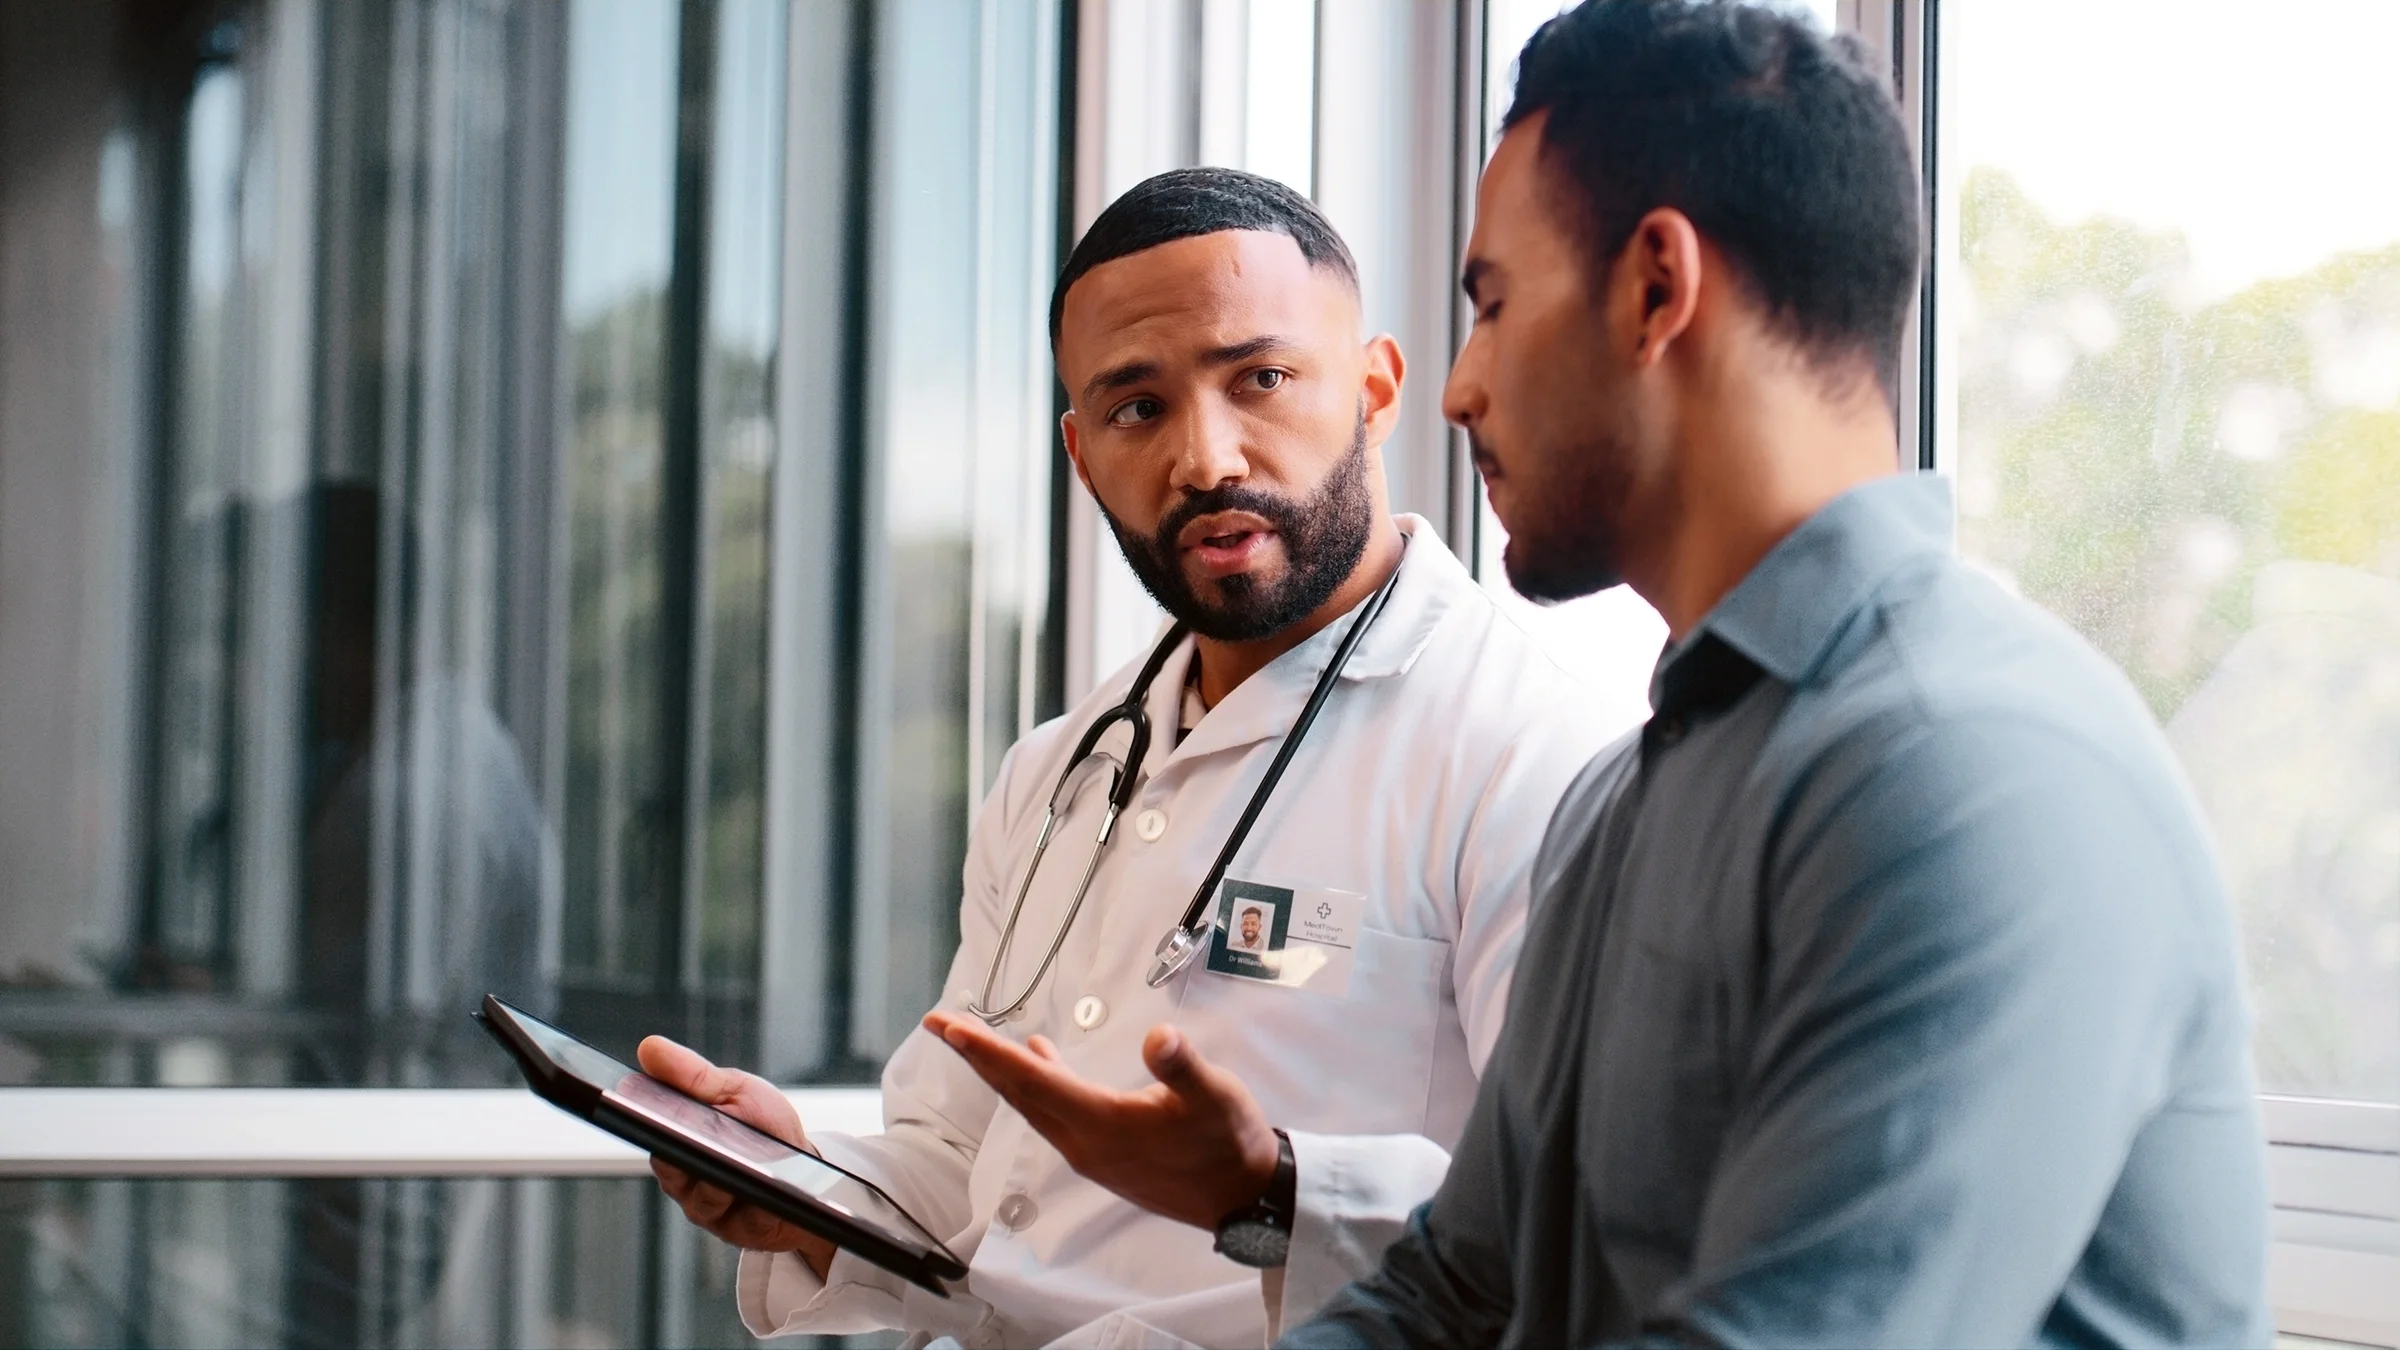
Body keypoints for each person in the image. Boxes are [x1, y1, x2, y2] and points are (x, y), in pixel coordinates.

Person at [966, 4, 2272, 1345]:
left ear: (1656, 287)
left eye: (1491, 303)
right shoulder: (1626, 802)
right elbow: (1450, 1291)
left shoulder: (1976, 771)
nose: (1457, 388)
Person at [639, 167, 1617, 1349]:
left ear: (1375, 388)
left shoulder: (1532, 756)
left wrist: (1269, 1191)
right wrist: (803, 1189)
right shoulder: (1055, 776)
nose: (1206, 458)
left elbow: (1582, 1223)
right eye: (1136, 407)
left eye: (1260, 378)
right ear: (1082, 451)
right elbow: (963, 1169)